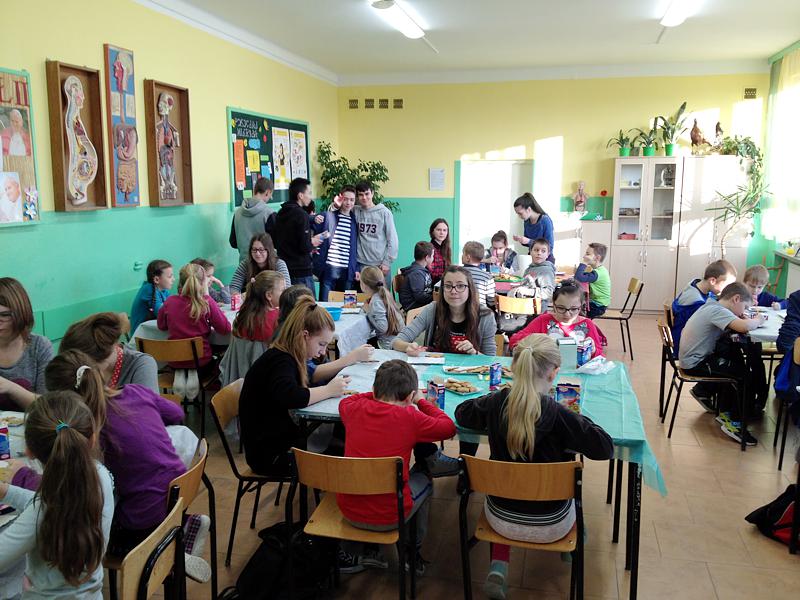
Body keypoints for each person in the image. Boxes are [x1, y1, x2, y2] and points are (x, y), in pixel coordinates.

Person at [455, 334, 613, 599]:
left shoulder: (496, 403)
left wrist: (493, 398)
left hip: (499, 518)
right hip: (552, 523)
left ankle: (499, 564)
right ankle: (570, 547)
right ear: (554, 373)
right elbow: (604, 447)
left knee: (510, 491)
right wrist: (579, 420)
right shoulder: (560, 415)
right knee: (573, 491)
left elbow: (462, 413)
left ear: (514, 368)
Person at [40, 350, 187, 555]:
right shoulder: (135, 391)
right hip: (180, 494)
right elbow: (177, 413)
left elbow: (78, 485)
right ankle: (180, 535)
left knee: (80, 532)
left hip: (142, 519)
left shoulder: (90, 430)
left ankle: (164, 550)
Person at [338, 360, 456, 574]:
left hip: (349, 511)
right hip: (390, 515)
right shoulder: (410, 417)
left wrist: (375, 395)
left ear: (374, 389)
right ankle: (411, 552)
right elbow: (448, 427)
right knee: (425, 476)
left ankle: (361, 552)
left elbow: (350, 399)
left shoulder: (351, 409)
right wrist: (421, 401)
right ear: (409, 397)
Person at [0, 392, 114, 599]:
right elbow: (55, 506)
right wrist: (7, 492)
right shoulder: (99, 476)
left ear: (28, 451)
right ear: (92, 439)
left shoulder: (42, 513)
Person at [239, 296, 350, 478]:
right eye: (321, 344)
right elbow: (292, 396)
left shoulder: (287, 355)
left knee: (342, 435)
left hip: (277, 440)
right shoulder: (281, 360)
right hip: (270, 455)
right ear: (305, 336)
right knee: (343, 447)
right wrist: (328, 390)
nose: (323, 352)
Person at [678, 282, 766, 445]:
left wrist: (740, 318)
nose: (744, 312)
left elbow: (738, 324)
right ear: (736, 299)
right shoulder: (718, 311)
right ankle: (735, 424)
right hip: (696, 363)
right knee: (744, 376)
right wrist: (758, 319)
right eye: (744, 307)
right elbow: (745, 327)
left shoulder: (713, 305)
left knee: (735, 362)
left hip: (693, 359)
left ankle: (727, 413)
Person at [393, 266, 497, 356]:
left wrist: (474, 353)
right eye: (448, 286)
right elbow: (396, 342)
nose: (453, 291)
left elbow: (491, 359)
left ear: (470, 289)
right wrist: (408, 347)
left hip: (471, 370)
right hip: (435, 371)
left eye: (460, 286)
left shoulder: (485, 316)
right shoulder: (432, 310)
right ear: (442, 289)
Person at [157, 263, 232, 371]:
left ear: (180, 283)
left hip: (175, 363)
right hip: (201, 363)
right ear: (203, 282)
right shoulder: (206, 302)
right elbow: (225, 329)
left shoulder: (169, 301)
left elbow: (161, 326)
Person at [60, 312, 158, 392]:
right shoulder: (79, 369)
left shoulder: (141, 365)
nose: (76, 372)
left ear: (103, 359)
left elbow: (147, 409)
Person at [509, 280, 604, 358]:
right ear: (553, 304)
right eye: (561, 308)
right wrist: (536, 339)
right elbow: (514, 341)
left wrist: (593, 350)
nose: (567, 314)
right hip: (546, 371)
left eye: (574, 309)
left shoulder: (587, 324)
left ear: (581, 306)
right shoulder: (543, 320)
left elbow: (600, 356)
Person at [0, 277, 54, 410]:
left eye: (5, 315)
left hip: (33, 422)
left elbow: (48, 406)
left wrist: (10, 388)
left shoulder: (39, 346)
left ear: (21, 313)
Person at [671, 259, 737, 356]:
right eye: (727, 285)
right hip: (687, 347)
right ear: (712, 281)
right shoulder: (697, 302)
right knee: (730, 342)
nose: (728, 289)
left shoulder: (695, 285)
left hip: (683, 337)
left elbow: (713, 299)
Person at [273, 177, 325, 292]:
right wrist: (312, 241)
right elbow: (304, 246)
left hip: (284, 269)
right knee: (307, 302)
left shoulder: (281, 213)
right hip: (301, 272)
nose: (311, 197)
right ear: (300, 195)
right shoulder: (301, 215)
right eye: (309, 193)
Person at [313, 185, 359, 301]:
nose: (348, 202)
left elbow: (355, 248)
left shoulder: (355, 221)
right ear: (340, 198)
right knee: (325, 304)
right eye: (345, 199)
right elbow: (313, 222)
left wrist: (356, 269)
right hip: (329, 268)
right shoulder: (330, 216)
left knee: (349, 305)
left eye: (352, 200)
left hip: (347, 271)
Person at [353, 180, 399, 288]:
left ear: (372, 193)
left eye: (367, 194)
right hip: (361, 265)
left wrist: (387, 262)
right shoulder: (355, 211)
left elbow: (393, 240)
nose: (364, 198)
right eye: (360, 195)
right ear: (357, 197)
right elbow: (337, 211)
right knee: (362, 297)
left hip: (380, 265)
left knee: (383, 297)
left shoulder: (384, 213)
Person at [229, 177, 275, 263]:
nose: (270, 198)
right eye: (270, 195)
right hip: (264, 264)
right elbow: (275, 242)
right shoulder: (269, 213)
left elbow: (233, 242)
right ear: (267, 192)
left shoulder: (237, 213)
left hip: (244, 264)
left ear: (254, 190)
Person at [360, 266, 403, 349]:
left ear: (364, 286)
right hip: (397, 340)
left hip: (387, 345)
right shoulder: (384, 294)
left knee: (359, 344)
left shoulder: (376, 301)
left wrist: (368, 312)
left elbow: (383, 328)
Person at [129, 259, 173, 333]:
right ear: (156, 279)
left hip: (152, 331)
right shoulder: (149, 289)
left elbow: (172, 307)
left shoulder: (164, 290)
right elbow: (162, 314)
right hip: (140, 335)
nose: (173, 279)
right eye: (170, 277)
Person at [515, 238, 556, 313]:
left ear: (548, 254)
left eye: (543, 251)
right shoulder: (528, 269)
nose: (539, 253)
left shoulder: (546, 271)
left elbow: (549, 292)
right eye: (536, 250)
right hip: (525, 308)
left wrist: (529, 292)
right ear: (530, 252)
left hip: (538, 311)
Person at [512, 193, 555, 262]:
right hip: (532, 258)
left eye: (520, 213)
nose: (519, 216)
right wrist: (521, 240)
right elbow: (529, 243)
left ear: (529, 209)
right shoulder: (527, 221)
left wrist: (528, 241)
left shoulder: (545, 220)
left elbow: (550, 246)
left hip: (545, 260)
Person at [574, 243, 611, 319]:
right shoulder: (600, 270)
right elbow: (582, 276)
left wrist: (584, 263)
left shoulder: (598, 273)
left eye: (588, 254)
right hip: (599, 304)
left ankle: (584, 325)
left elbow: (578, 278)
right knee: (575, 305)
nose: (584, 256)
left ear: (597, 258)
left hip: (597, 306)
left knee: (573, 309)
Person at [398, 241, 435, 312]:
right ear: (427, 257)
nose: (433, 258)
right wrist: (435, 298)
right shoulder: (416, 274)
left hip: (419, 303)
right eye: (433, 256)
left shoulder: (421, 270)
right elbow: (419, 296)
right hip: (414, 307)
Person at [462, 241, 496, 309]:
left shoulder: (456, 273)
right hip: (480, 311)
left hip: (460, 310)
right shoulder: (487, 276)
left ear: (468, 257)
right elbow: (491, 302)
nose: (462, 256)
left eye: (463, 253)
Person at [428, 218, 452, 285]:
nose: (442, 233)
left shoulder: (446, 248)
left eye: (444, 230)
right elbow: (432, 274)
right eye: (438, 230)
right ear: (432, 231)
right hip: (433, 285)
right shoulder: (429, 248)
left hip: (443, 284)